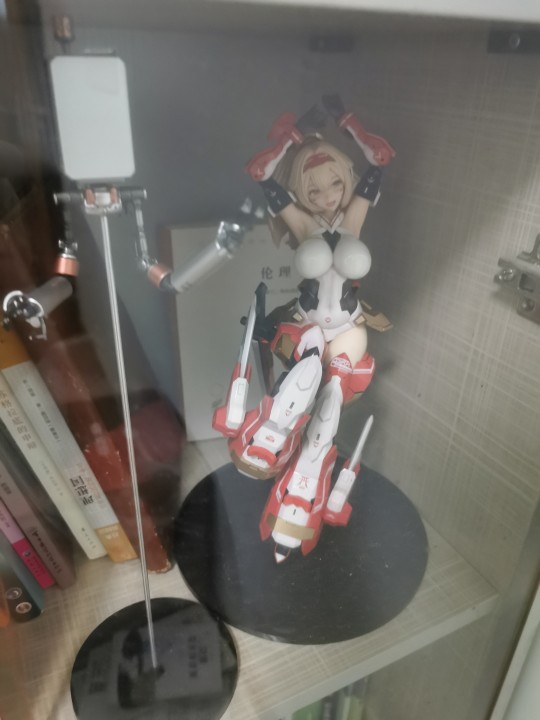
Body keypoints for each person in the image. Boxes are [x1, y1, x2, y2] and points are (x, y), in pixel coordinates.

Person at [214, 98, 395, 562]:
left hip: (349, 325)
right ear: (300, 191)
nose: (327, 195)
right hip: (309, 323)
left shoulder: (352, 218)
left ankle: (307, 481)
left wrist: (351, 125)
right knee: (292, 399)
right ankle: (267, 447)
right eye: (313, 189)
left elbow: (377, 166)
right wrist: (286, 142)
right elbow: (264, 181)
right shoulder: (302, 223)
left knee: (331, 404)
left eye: (335, 182)